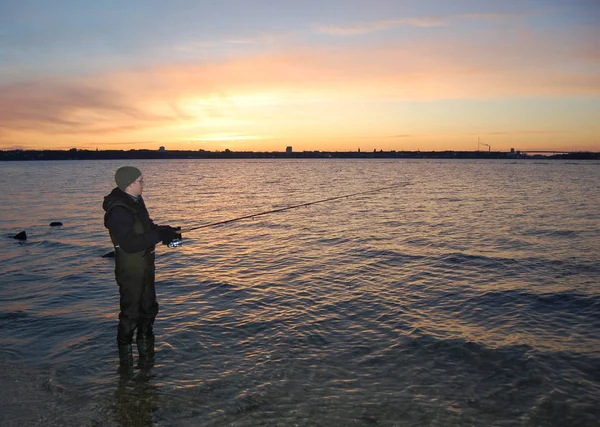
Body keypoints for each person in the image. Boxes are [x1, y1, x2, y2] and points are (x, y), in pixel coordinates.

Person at [103, 166, 181, 366]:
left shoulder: (137, 202)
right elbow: (129, 243)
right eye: (141, 181)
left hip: (146, 266)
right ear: (130, 184)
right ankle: (126, 366)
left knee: (149, 310)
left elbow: (146, 228)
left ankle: (147, 364)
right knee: (130, 314)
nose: (143, 184)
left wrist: (164, 231)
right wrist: (157, 236)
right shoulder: (118, 211)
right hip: (130, 270)